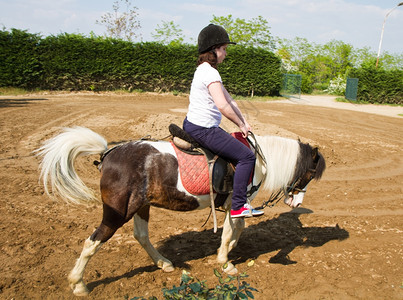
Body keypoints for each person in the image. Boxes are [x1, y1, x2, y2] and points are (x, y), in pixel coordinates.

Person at [183, 24, 264, 218]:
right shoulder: (211, 73)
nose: (226, 53)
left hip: (192, 123)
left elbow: (230, 100)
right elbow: (223, 106)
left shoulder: (203, 70)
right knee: (246, 157)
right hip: (204, 129)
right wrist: (241, 125)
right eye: (224, 49)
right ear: (213, 50)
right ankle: (238, 206)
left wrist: (244, 121)